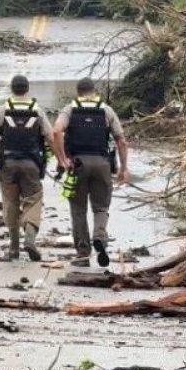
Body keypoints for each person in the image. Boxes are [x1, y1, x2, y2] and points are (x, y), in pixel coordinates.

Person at [0, 74, 66, 261]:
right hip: (31, 165)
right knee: (33, 199)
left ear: (12, 89)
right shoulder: (37, 111)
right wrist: (60, 159)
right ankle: (29, 237)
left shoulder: (1, 110)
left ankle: (13, 248)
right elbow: (50, 137)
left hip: (7, 164)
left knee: (10, 203)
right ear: (27, 89)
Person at [52, 77, 128, 267]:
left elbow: (57, 131)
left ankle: (83, 254)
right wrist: (123, 168)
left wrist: (62, 159)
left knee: (78, 210)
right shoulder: (106, 110)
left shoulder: (70, 109)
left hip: (77, 166)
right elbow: (121, 140)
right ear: (94, 91)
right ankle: (100, 237)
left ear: (78, 92)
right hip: (102, 164)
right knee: (101, 207)